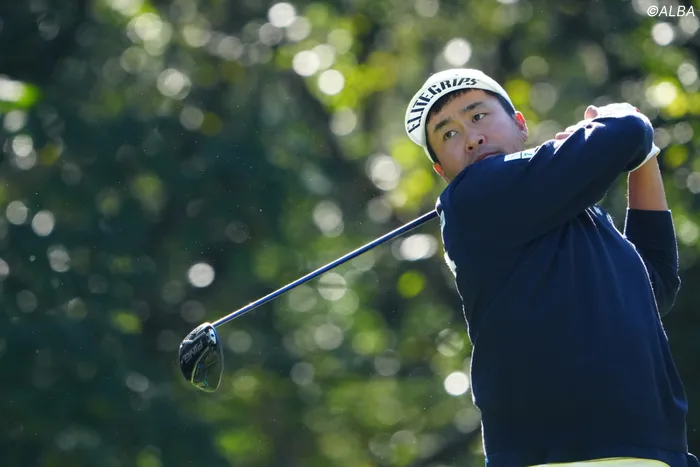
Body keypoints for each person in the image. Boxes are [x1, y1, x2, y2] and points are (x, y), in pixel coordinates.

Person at [404, 68, 698, 467]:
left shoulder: (583, 218)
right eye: (449, 134)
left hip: (651, 452)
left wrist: (644, 159)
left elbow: (656, 284)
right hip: (553, 456)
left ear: (520, 124)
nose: (471, 137)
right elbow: (626, 131)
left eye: (478, 116)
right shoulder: (474, 198)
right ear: (442, 171)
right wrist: (619, 119)